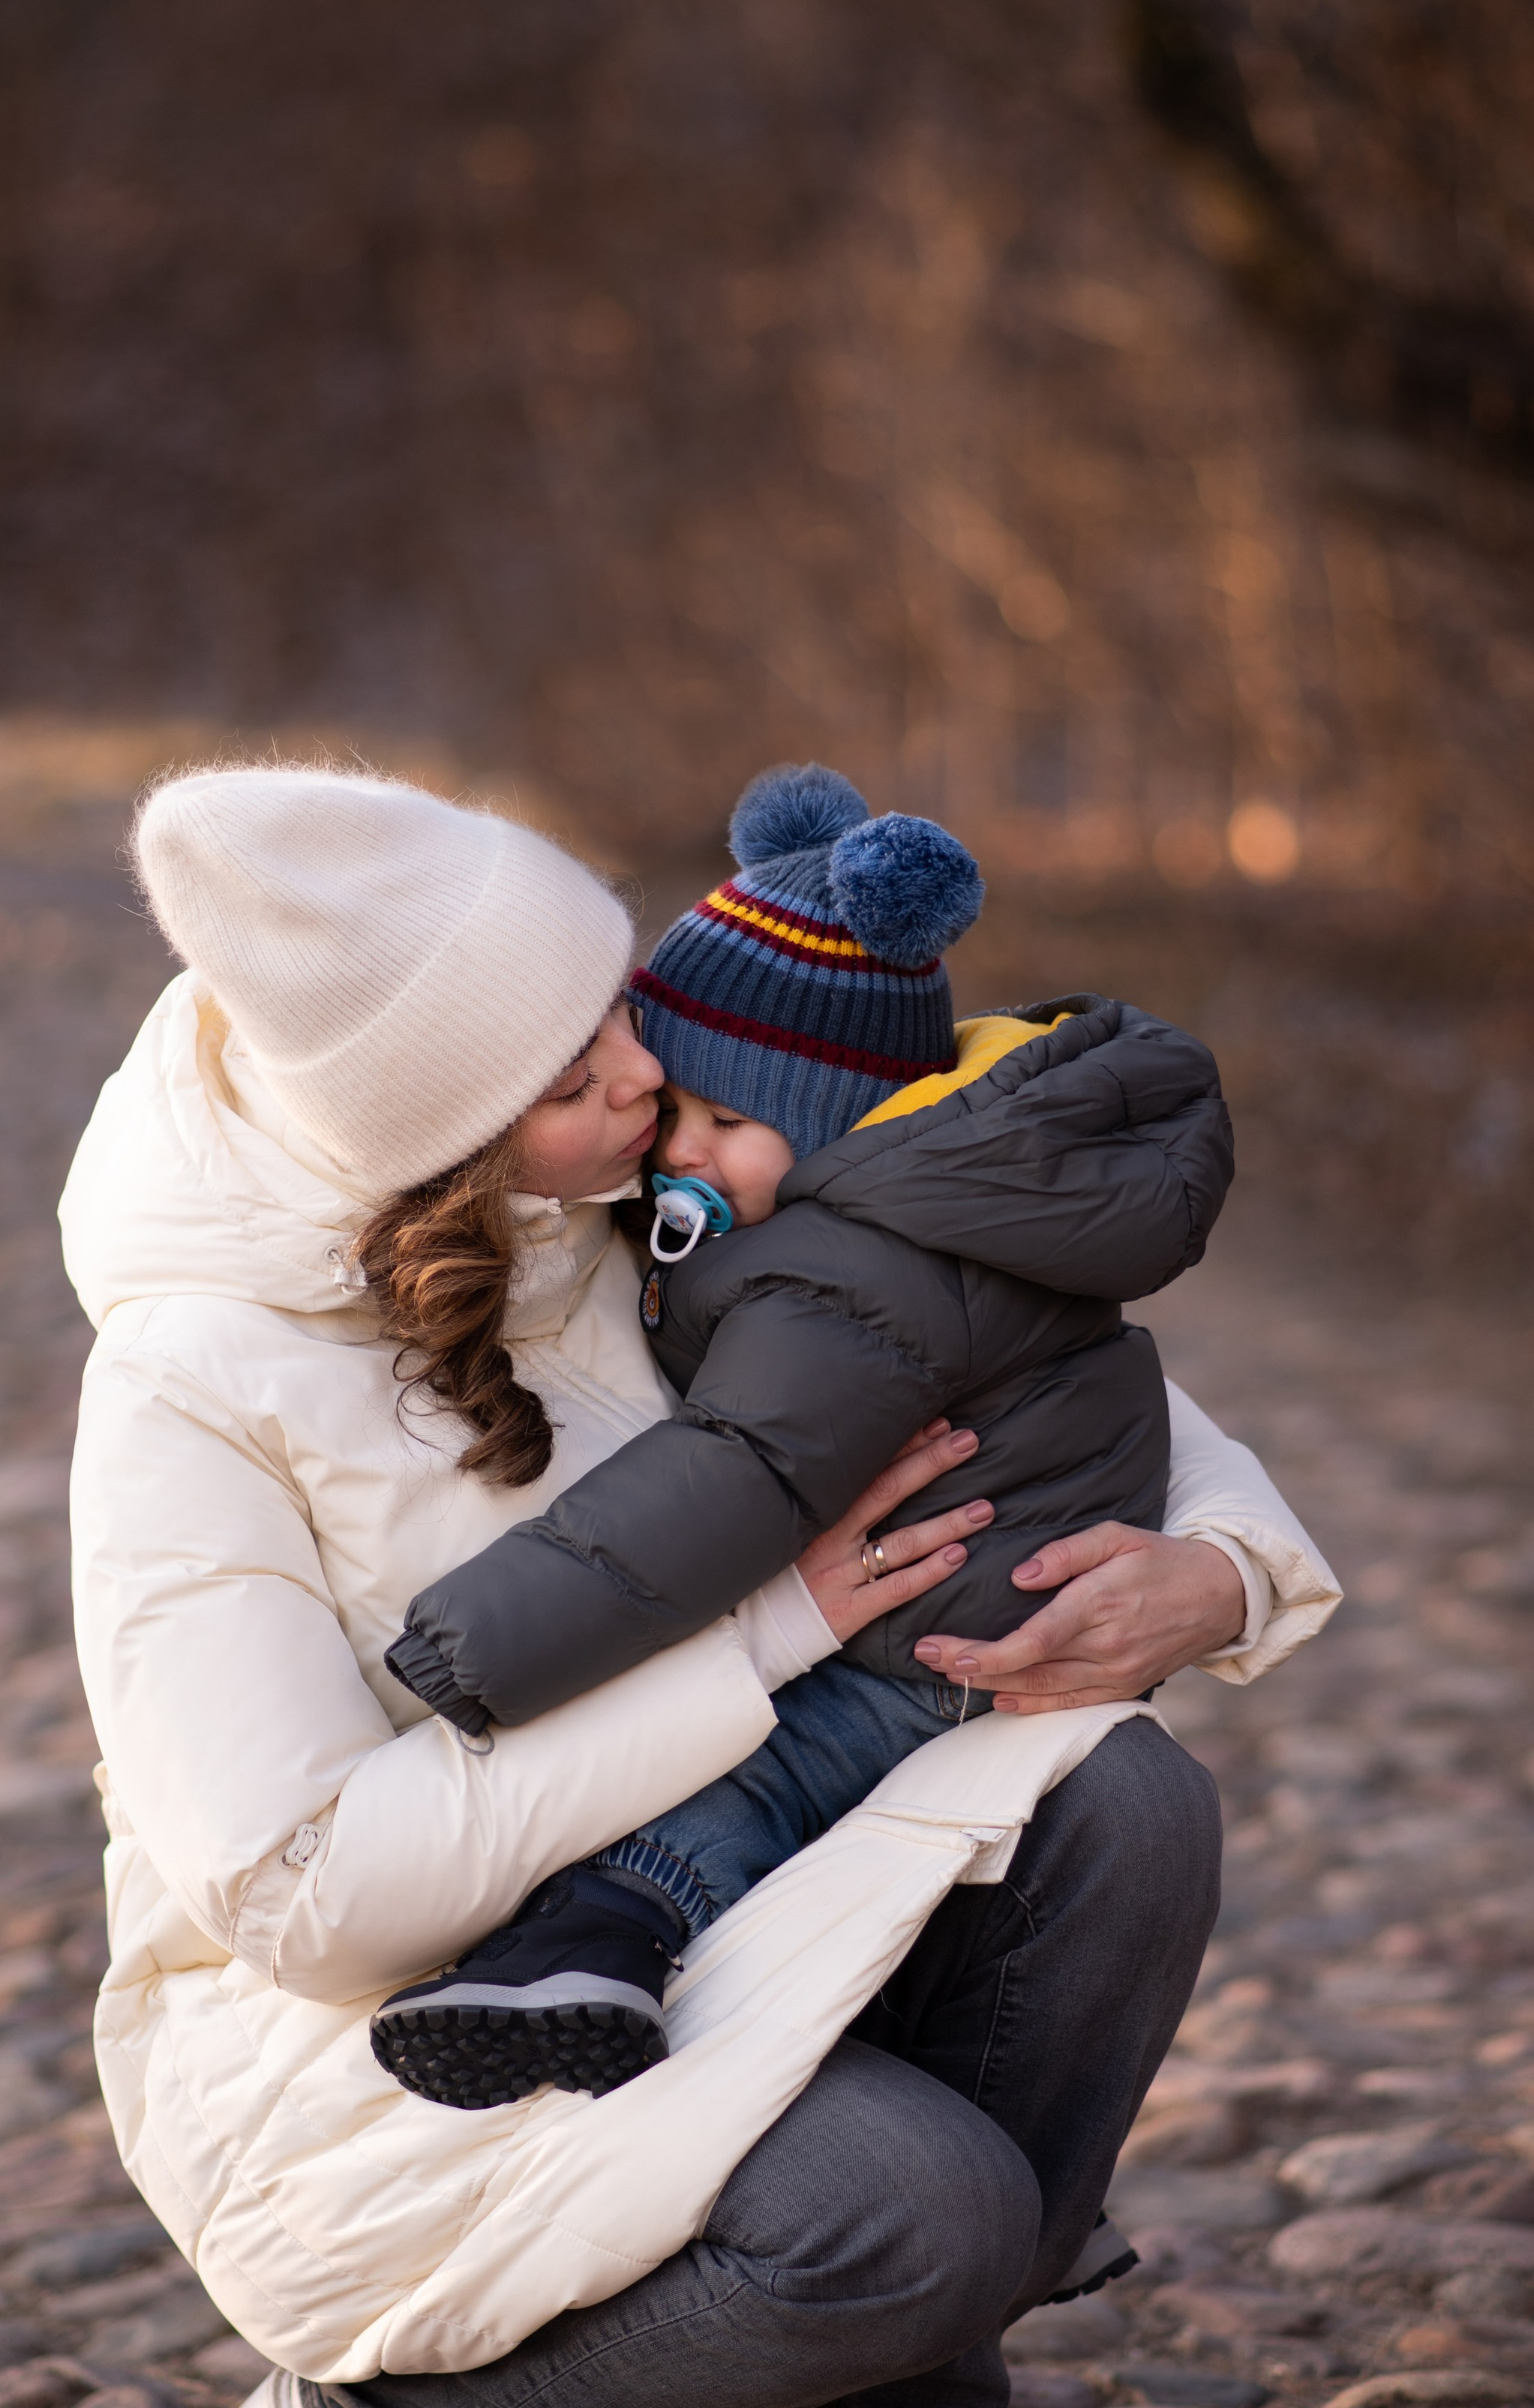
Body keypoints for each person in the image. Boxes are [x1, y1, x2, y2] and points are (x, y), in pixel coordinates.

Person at [63, 763, 1340, 2408]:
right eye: (577, 1064)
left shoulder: (622, 1190)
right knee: (916, 2215)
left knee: (1123, 1799)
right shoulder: (188, 1387)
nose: (646, 1070)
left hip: (701, 1893)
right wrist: (759, 1640)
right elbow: (305, 1897)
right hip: (393, 2020)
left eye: (620, 1006)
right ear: (441, 1138)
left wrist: (1219, 1575)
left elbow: (1018, 1347)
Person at [375, 762, 1234, 2108]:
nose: (679, 1154)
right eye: (674, 1114)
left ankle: (597, 1949)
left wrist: (482, 1640)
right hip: (961, 1588)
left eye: (728, 1123)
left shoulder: (848, 1270)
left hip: (945, 1630)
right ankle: (579, 1957)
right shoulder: (890, 1198)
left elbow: (741, 1471)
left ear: (842, 1123)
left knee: (764, 1777)